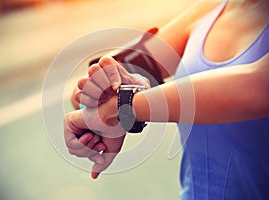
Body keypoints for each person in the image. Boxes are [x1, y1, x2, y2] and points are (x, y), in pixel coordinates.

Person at [64, 0, 269, 199]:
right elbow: (95, 86)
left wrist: (117, 110)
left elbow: (258, 88)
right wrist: (102, 96)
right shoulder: (209, 9)